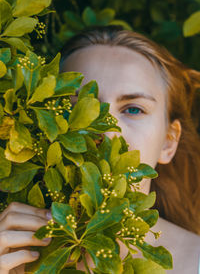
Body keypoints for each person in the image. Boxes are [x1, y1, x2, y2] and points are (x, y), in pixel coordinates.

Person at [0, 26, 200, 274]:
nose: (105, 131)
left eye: (133, 109)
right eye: (78, 106)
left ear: (169, 141)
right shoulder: (11, 255)